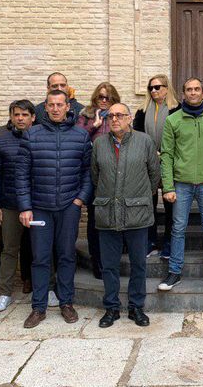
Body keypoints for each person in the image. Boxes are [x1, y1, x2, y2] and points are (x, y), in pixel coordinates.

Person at [16, 90, 93, 328]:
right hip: (39, 208)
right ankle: (38, 307)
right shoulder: (31, 135)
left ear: (68, 107)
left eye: (60, 105)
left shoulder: (81, 136)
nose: (56, 109)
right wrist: (25, 207)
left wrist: (80, 199)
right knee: (40, 258)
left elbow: (88, 172)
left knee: (66, 256)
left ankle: (66, 303)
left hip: (69, 207)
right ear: (46, 108)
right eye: (52, 105)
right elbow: (21, 175)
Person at [91, 103, 161, 328]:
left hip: (137, 213)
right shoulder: (99, 143)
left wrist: (138, 196)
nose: (114, 119)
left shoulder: (145, 141)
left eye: (119, 115)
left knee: (138, 264)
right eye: (110, 116)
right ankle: (111, 307)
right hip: (107, 213)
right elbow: (95, 176)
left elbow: (154, 175)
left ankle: (136, 307)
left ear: (130, 118)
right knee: (109, 265)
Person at [158, 78, 203, 291]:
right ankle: (174, 272)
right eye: (189, 89)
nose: (193, 93)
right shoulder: (173, 120)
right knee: (178, 229)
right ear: (183, 94)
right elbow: (167, 155)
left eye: (197, 89)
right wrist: (168, 187)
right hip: (181, 184)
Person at [0, 100, 36, 312]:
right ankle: (5, 292)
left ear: (33, 117)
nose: (20, 118)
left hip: (37, 203)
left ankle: (47, 287)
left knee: (42, 248)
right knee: (9, 248)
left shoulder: (41, 135)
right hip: (9, 202)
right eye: (16, 114)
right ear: (11, 116)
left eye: (25, 115)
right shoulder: (0, 137)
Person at [76, 82, 121, 280]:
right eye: (101, 97)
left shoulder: (119, 115)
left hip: (116, 174)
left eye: (108, 98)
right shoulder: (85, 116)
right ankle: (98, 263)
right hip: (93, 174)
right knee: (95, 220)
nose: (104, 101)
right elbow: (76, 142)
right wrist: (93, 127)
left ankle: (113, 261)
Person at [133, 74, 181, 259]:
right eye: (150, 88)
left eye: (158, 87)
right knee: (148, 205)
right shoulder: (142, 110)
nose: (153, 91)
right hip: (147, 162)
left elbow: (182, 137)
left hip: (171, 162)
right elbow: (136, 135)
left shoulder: (177, 109)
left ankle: (169, 244)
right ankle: (150, 242)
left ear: (167, 88)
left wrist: (166, 153)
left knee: (171, 206)